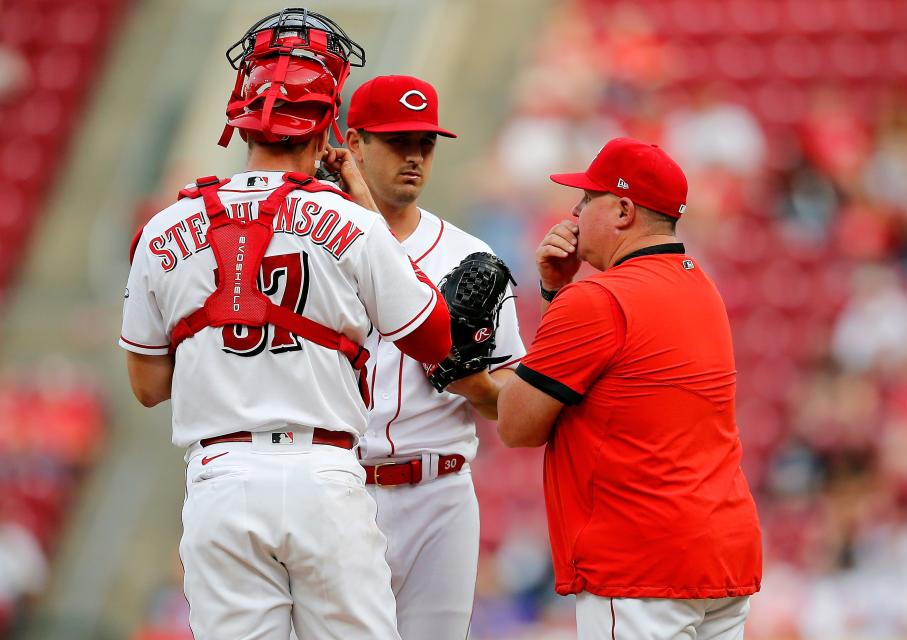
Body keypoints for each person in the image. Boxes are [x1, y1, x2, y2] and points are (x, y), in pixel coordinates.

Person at [119, 10, 452, 640]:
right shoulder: (351, 220)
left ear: (240, 112)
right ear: (329, 123)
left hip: (219, 478)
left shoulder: (163, 226)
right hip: (321, 474)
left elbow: (146, 385)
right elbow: (433, 339)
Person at [497, 138, 763, 639]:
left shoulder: (597, 299)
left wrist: (556, 296)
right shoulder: (703, 287)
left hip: (642, 565)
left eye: (585, 200)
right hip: (723, 554)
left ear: (622, 210)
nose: (573, 214)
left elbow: (517, 426)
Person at [343, 75, 525, 639]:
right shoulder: (313, 244)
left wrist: (464, 376)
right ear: (354, 145)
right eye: (398, 142)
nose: (415, 157)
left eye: (426, 143)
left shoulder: (470, 254)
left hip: (439, 492)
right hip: (337, 488)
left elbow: (509, 401)